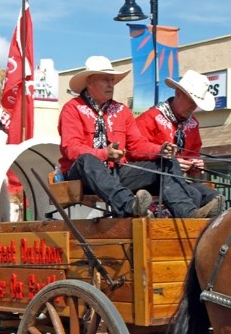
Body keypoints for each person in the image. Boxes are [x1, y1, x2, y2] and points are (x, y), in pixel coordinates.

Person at [58, 56, 218, 218]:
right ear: (90, 82)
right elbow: (71, 149)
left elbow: (136, 145)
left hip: (116, 173)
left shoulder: (122, 110)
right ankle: (129, 205)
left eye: (112, 80)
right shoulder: (72, 108)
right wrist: (105, 154)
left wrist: (160, 150)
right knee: (88, 159)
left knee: (166, 162)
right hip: (82, 177)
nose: (111, 84)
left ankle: (188, 213)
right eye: (105, 80)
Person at [132, 69, 224, 216]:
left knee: (211, 195)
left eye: (196, 103)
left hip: (176, 182)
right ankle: (189, 221)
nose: (193, 107)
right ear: (178, 94)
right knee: (194, 194)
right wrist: (171, 162)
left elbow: (193, 155)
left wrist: (195, 164)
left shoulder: (193, 124)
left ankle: (210, 230)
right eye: (191, 101)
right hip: (152, 179)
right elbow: (134, 151)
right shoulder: (150, 118)